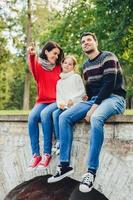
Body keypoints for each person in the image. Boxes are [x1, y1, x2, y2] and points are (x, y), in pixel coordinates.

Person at [47, 32, 126, 193]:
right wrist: (86, 99)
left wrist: (94, 106)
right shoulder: (86, 66)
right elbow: (90, 90)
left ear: (96, 42)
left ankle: (91, 172)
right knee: (64, 117)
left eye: (89, 40)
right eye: (83, 41)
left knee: (96, 118)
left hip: (114, 98)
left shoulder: (108, 57)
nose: (85, 43)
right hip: (94, 99)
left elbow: (109, 84)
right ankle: (64, 165)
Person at [27, 41, 64, 171]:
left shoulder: (60, 67)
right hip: (42, 101)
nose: (56, 56)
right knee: (31, 117)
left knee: (44, 114)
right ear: (46, 52)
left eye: (58, 54)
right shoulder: (39, 67)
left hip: (56, 100)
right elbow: (32, 64)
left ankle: (46, 154)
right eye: (54, 53)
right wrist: (32, 55)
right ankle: (36, 155)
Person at [52, 55, 86, 155]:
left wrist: (73, 99)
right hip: (64, 106)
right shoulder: (59, 82)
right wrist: (60, 104)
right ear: (62, 64)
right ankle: (59, 140)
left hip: (75, 105)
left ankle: (62, 144)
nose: (67, 65)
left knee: (63, 117)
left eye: (70, 64)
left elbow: (81, 92)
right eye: (65, 63)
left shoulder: (76, 77)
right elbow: (59, 96)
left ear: (73, 67)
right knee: (55, 114)